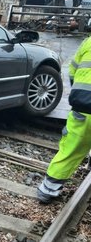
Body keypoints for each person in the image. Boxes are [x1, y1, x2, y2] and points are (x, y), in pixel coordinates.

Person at [37, 37, 91, 204]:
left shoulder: (88, 42)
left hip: (82, 105)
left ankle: (47, 190)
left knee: (69, 149)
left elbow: (73, 71)